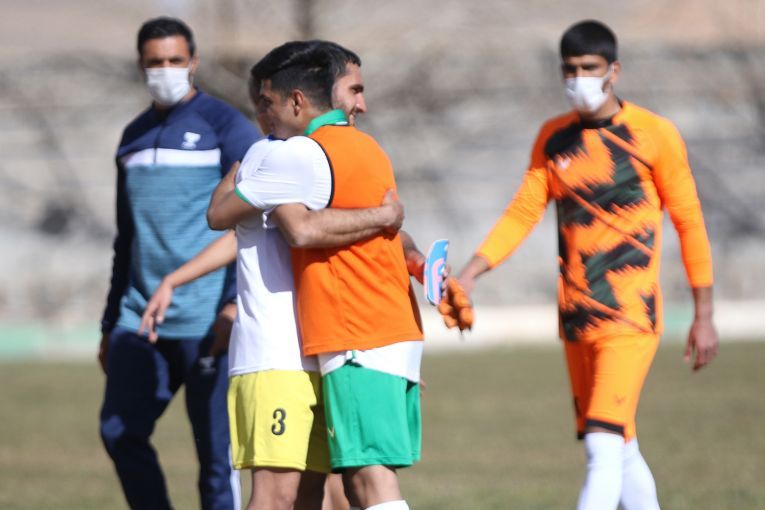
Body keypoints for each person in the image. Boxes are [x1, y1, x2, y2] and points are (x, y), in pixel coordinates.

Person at [455, 20, 719, 510]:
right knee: (620, 443)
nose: (579, 79)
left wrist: (704, 314)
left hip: (630, 315)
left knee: (602, 444)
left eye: (589, 68)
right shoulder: (553, 139)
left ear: (613, 70)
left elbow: (690, 223)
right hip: (577, 317)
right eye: (570, 69)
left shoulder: (655, 135)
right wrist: (470, 273)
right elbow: (522, 213)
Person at [140, 40, 408, 510]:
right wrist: (385, 217)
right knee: (275, 497)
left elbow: (323, 229)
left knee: (313, 496)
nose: (260, 114)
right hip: (273, 353)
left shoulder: (315, 154)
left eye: (266, 102)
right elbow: (239, 221)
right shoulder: (275, 154)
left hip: (324, 349)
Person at [98, 17, 260, 510]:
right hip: (141, 317)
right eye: (155, 62)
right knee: (119, 432)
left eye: (174, 60)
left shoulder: (226, 127)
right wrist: (109, 323)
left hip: (208, 320)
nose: (165, 70)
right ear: (140, 65)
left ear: (193, 62)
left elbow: (254, 223)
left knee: (216, 461)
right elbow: (126, 238)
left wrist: (233, 304)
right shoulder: (131, 138)